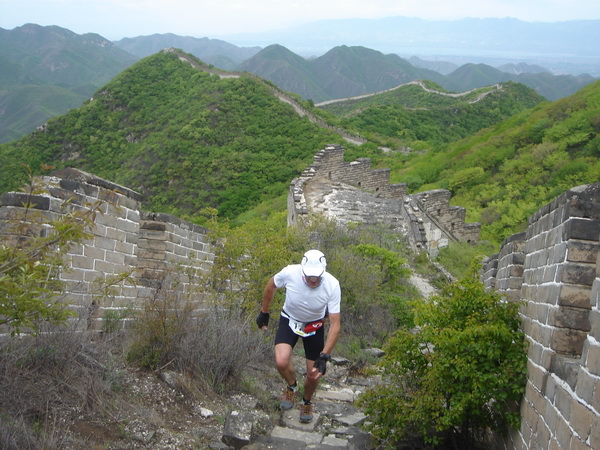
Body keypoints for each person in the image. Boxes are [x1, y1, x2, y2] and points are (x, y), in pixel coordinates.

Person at [256, 249, 341, 423]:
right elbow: (271, 285)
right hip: (290, 320)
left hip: (314, 326)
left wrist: (325, 355)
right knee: (281, 360)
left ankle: (306, 402)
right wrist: (264, 312)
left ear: (324, 271)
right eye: (309, 275)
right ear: (302, 269)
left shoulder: (332, 284)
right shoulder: (290, 272)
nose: (312, 279)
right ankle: (292, 387)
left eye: (316, 276)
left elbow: (335, 323)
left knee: (313, 373)